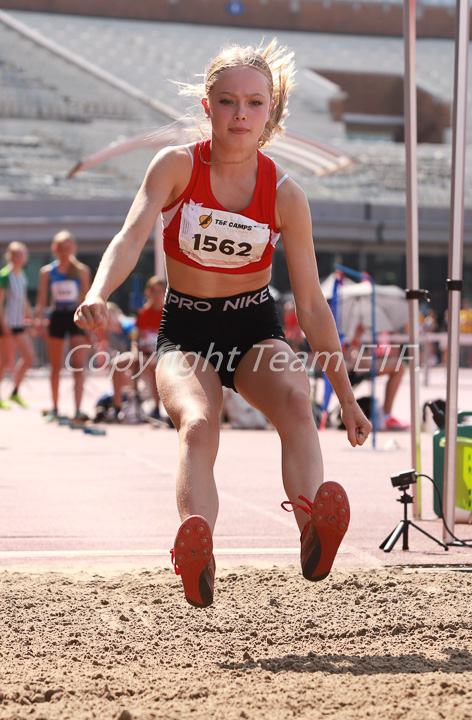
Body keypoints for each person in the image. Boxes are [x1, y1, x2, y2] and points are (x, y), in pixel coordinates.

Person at [74, 40, 372, 608]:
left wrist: (348, 398)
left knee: (293, 398)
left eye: (254, 103)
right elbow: (132, 234)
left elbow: (310, 304)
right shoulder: (176, 166)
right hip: (185, 330)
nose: (240, 113)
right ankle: (198, 550)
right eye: (228, 100)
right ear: (207, 106)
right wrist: (98, 291)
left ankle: (312, 529)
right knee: (197, 422)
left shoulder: (286, 195)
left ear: (271, 114)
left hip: (254, 326)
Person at [36, 230, 91, 422]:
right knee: (55, 366)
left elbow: (87, 298)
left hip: (76, 317)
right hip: (57, 316)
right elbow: (42, 299)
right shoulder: (47, 272)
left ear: (73, 249)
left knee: (77, 365)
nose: (65, 252)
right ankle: (55, 408)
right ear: (55, 249)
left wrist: (90, 326)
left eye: (68, 248)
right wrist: (40, 323)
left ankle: (77, 409)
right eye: (61, 248)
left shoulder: (82, 271)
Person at [344, 322, 409, 430]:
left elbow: (353, 357)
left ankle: (387, 415)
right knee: (399, 366)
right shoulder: (341, 325)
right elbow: (350, 360)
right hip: (349, 371)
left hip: (357, 366)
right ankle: (386, 415)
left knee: (399, 366)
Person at [0, 242, 35, 408]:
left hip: (18, 324)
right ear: (11, 257)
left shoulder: (22, 275)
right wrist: (3, 324)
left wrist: (32, 317)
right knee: (5, 361)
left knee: (29, 357)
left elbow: (24, 300)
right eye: (17, 255)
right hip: (6, 324)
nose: (20, 258)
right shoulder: (4, 275)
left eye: (23, 255)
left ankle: (14, 392)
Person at [135, 276, 166, 419]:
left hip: (163, 355)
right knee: (117, 364)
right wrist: (137, 353)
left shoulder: (169, 314)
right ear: (149, 292)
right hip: (144, 354)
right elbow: (138, 340)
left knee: (154, 366)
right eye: (155, 291)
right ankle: (120, 407)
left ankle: (156, 408)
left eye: (161, 291)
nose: (157, 295)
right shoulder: (143, 314)